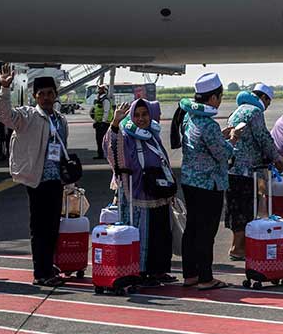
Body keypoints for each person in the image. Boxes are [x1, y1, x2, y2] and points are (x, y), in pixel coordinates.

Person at [0, 65, 69, 286]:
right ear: (34, 96)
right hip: (37, 180)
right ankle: (41, 273)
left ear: (56, 95)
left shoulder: (60, 119)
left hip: (56, 180)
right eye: (42, 94)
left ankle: (48, 266)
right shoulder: (27, 116)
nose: (46, 97)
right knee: (39, 228)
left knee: (52, 227)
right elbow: (5, 116)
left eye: (50, 93)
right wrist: (5, 89)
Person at [104, 99, 176, 285]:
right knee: (145, 234)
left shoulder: (152, 134)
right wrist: (115, 124)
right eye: (137, 115)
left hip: (159, 191)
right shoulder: (126, 135)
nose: (141, 119)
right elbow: (112, 151)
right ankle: (142, 271)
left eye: (144, 114)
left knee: (161, 232)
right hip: (138, 192)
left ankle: (159, 270)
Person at [178, 72, 237, 290]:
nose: (220, 101)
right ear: (212, 98)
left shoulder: (189, 117)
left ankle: (190, 275)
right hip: (209, 184)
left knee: (192, 228)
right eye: (220, 97)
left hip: (190, 181)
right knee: (206, 231)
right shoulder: (209, 124)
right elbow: (221, 154)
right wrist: (231, 140)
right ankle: (205, 278)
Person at [225, 83, 281, 261]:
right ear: (263, 98)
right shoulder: (255, 112)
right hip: (247, 171)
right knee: (246, 209)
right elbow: (263, 137)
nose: (268, 106)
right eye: (268, 101)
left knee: (235, 209)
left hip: (232, 168)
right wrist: (276, 158)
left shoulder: (238, 110)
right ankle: (238, 248)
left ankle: (236, 246)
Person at [90, 84, 111, 160]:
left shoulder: (105, 100)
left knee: (104, 140)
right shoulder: (98, 100)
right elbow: (96, 111)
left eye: (100, 89)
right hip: (99, 123)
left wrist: (103, 122)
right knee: (98, 139)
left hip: (104, 124)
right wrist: (95, 122)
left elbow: (106, 111)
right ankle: (100, 154)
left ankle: (106, 155)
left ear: (104, 90)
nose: (98, 90)